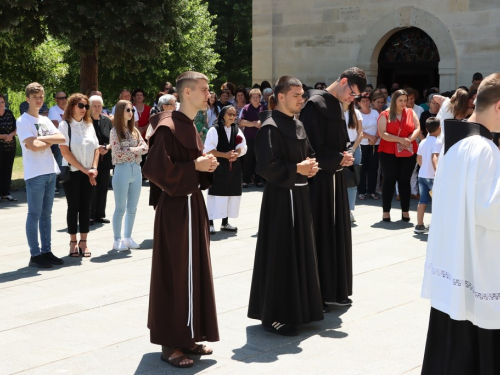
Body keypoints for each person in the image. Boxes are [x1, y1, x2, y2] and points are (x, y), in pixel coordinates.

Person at [421, 73, 500, 374]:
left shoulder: (456, 147)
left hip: (455, 265)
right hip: (478, 270)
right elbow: (492, 211)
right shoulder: (485, 150)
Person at [142, 71, 220, 369]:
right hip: (176, 210)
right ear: (186, 93)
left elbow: (189, 165)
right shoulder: (168, 126)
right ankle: (170, 342)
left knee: (193, 270)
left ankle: (189, 335)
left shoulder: (189, 125)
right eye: (203, 89)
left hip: (192, 206)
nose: (208, 94)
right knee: (175, 273)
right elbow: (155, 170)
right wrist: (193, 167)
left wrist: (205, 166)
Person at [248, 75, 323, 336]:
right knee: (281, 254)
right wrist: (297, 169)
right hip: (281, 199)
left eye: (302, 95)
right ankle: (275, 315)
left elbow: (309, 154)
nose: (301, 99)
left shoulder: (298, 124)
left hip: (300, 197)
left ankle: (301, 309)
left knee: (300, 251)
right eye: (296, 95)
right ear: (281, 97)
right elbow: (265, 167)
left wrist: (312, 166)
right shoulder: (270, 127)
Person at [300, 67, 366, 308]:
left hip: (335, 177)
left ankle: (335, 289)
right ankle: (321, 292)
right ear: (344, 81)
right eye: (353, 93)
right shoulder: (314, 104)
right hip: (318, 181)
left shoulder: (337, 103)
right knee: (322, 233)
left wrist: (344, 155)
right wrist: (337, 157)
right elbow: (310, 145)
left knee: (336, 232)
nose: (353, 98)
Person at [17, 82, 66, 268]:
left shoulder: (44, 120)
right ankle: (35, 255)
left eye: (42, 96)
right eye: (35, 97)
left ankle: (47, 251)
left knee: (47, 214)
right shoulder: (23, 121)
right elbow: (33, 147)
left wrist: (40, 138)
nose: (39, 100)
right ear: (28, 98)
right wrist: (45, 141)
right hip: (35, 174)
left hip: (50, 171)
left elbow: (61, 138)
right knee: (34, 214)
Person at [59, 94, 100, 258]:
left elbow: (96, 148)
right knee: (73, 206)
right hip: (73, 173)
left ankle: (84, 242)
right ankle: (72, 242)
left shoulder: (89, 124)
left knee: (86, 207)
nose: (84, 109)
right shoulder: (64, 125)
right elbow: (65, 152)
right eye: (81, 106)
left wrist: (94, 168)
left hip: (89, 172)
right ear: (72, 106)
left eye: (86, 106)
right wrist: (86, 170)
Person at [109, 100, 148, 251]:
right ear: (120, 112)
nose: (131, 113)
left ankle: (128, 236)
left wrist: (133, 149)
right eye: (128, 110)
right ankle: (117, 239)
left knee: (133, 207)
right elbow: (118, 153)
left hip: (136, 169)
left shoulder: (135, 131)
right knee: (120, 208)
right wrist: (135, 149)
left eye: (132, 110)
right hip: (122, 169)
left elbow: (145, 147)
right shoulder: (115, 132)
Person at [377, 89, 420, 222]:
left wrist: (410, 139)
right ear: (394, 100)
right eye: (400, 100)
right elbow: (382, 133)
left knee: (404, 180)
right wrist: (400, 139)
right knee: (389, 179)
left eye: (405, 100)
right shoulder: (386, 114)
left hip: (408, 150)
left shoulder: (410, 112)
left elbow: (417, 128)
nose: (403, 103)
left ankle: (405, 211)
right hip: (388, 150)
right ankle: (386, 211)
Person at [204, 105, 247, 234]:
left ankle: (225, 222)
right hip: (218, 166)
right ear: (223, 115)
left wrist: (236, 154)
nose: (233, 117)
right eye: (230, 114)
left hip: (233, 167)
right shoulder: (214, 130)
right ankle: (210, 223)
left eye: (234, 114)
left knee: (230, 193)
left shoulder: (236, 129)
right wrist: (225, 155)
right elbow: (208, 149)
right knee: (215, 194)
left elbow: (242, 146)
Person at [414, 117, 441, 234]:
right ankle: (436, 225)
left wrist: (423, 166)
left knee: (422, 201)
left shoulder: (423, 141)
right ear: (439, 128)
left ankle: (419, 225)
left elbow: (418, 158)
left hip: (422, 175)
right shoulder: (438, 142)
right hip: (432, 177)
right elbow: (435, 156)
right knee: (437, 201)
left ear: (426, 129)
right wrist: (437, 171)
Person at [88, 95, 112, 225]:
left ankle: (100, 214)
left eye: (99, 106)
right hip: (91, 158)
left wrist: (107, 147)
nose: (97, 109)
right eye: (94, 106)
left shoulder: (106, 120)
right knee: (92, 187)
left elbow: (111, 137)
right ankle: (90, 215)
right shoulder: (86, 121)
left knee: (103, 186)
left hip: (105, 157)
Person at [357, 92, 381, 200]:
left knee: (373, 168)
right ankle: (361, 191)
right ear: (359, 103)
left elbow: (380, 126)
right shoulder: (357, 113)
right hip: (362, 144)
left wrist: (375, 137)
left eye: (367, 101)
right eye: (363, 101)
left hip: (375, 144)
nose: (366, 103)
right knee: (362, 168)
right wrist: (370, 137)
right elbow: (358, 130)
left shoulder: (375, 113)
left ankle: (372, 191)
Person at [239, 88, 265, 188]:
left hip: (260, 138)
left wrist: (250, 123)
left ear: (260, 98)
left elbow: (265, 121)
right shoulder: (246, 108)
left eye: (257, 97)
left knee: (259, 159)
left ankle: (258, 180)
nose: (255, 99)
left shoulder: (264, 108)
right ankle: (246, 180)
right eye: (253, 97)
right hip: (248, 138)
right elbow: (241, 122)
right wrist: (255, 124)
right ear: (250, 99)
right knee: (247, 159)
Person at [343, 101, 363, 222]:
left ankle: (349, 210)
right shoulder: (336, 111)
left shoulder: (356, 113)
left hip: (354, 146)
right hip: (340, 146)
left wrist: (352, 149)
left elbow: (360, 133)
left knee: (352, 180)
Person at [0, 94, 18, 201]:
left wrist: (11, 135)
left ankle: (5, 192)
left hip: (10, 147)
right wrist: (3, 136)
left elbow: (17, 127)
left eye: (2, 102)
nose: (1, 105)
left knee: (7, 169)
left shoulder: (9, 114)